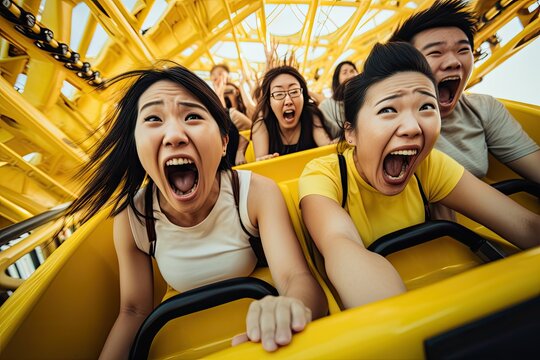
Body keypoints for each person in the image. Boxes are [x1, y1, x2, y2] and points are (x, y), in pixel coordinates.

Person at [64, 65, 327, 359]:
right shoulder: (133, 218)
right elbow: (134, 311)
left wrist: (290, 306)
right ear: (137, 145)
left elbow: (296, 278)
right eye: (153, 119)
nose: (174, 135)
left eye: (192, 116)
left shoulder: (256, 193)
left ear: (224, 140)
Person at [299, 42, 540, 310]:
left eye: (426, 107)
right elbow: (340, 246)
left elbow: (524, 226)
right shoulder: (323, 175)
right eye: (388, 110)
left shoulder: (428, 165)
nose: (413, 127)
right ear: (351, 133)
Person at [389, 0, 539, 182]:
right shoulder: (373, 113)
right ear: (402, 66)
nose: (454, 62)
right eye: (436, 52)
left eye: (463, 50)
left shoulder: (484, 108)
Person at [251, 66, 333, 161]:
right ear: (269, 101)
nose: (288, 101)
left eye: (294, 91)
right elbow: (261, 165)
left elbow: (327, 149)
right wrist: (264, 161)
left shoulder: (311, 115)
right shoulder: (261, 125)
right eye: (279, 94)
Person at [319, 61, 358, 139]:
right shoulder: (326, 106)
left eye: (352, 71)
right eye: (345, 72)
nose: (350, 75)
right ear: (337, 79)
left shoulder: (365, 99)